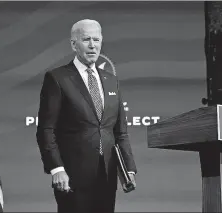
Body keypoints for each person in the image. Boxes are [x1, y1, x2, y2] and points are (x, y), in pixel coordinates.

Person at [36, 19, 137, 213]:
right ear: (74, 44)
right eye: (86, 39)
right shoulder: (57, 78)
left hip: (107, 174)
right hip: (72, 176)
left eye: (96, 40)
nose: (92, 45)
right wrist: (57, 169)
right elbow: (46, 130)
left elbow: (120, 131)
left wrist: (128, 169)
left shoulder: (111, 81)